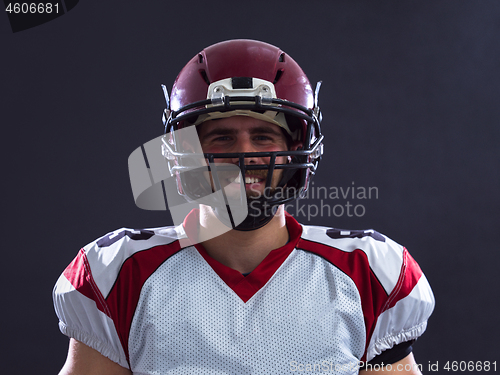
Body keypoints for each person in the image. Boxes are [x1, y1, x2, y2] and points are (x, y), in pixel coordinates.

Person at [53, 39, 435, 375]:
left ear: (295, 150)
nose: (244, 155)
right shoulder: (120, 275)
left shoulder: (367, 272)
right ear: (186, 152)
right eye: (221, 137)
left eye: (263, 136)